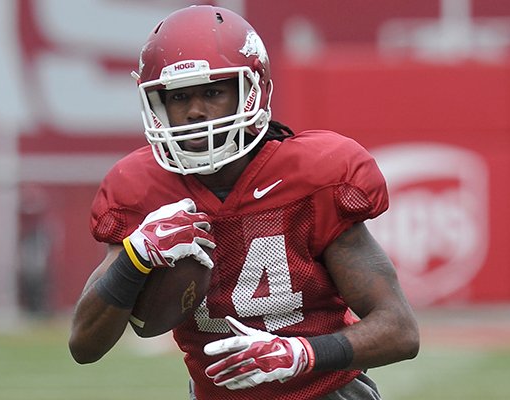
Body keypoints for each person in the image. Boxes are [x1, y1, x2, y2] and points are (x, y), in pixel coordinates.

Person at [69, 5, 419, 400]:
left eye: (213, 92)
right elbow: (84, 346)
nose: (194, 112)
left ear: (253, 90)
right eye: (179, 97)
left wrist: (302, 353)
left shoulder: (315, 174)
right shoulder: (140, 190)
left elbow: (400, 329)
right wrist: (137, 256)